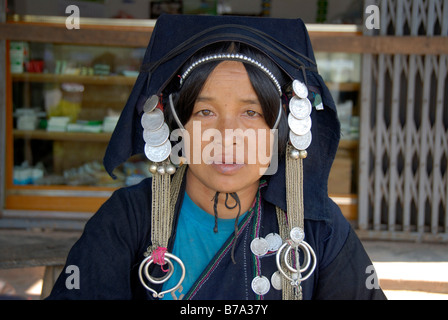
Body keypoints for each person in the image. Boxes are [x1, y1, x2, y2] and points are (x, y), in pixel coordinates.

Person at [47, 14, 386, 300]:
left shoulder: (317, 228)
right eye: (205, 111)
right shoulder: (128, 219)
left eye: (251, 113)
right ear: (175, 125)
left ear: (280, 130)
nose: (227, 136)